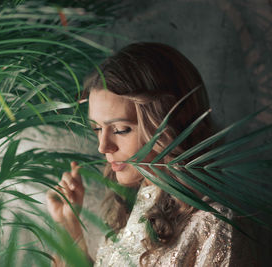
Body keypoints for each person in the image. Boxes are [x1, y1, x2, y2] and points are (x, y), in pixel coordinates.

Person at [47, 42, 255, 266]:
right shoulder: (128, 215)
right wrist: (71, 228)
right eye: (97, 129)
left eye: (120, 130)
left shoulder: (213, 224)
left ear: (166, 125)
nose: (103, 146)